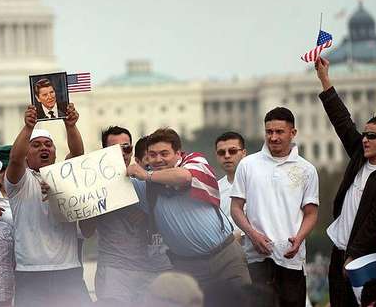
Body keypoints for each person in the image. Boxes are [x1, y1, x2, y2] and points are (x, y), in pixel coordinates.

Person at [314, 57, 376, 307]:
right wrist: (324, 79)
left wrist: (353, 256)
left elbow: (374, 222)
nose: (365, 139)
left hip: (364, 258)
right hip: (339, 251)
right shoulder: (358, 156)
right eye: (364, 134)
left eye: (372, 136)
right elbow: (342, 121)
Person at [127, 128, 250, 296]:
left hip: (225, 257)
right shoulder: (144, 187)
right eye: (153, 155)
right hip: (188, 268)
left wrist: (147, 175)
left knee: (244, 302)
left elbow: (184, 177)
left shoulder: (195, 161)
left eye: (164, 153)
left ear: (178, 153)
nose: (158, 159)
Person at [230, 107, 319, 307]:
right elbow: (235, 208)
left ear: (292, 133)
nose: (273, 137)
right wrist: (253, 235)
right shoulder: (247, 164)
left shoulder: (307, 170)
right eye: (269, 132)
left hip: (291, 258)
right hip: (257, 257)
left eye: (279, 132)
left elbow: (311, 213)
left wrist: (299, 238)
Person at [4, 104, 90, 307]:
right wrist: (28, 127)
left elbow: (78, 155)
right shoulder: (20, 182)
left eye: (48, 144)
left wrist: (70, 126)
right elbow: (15, 160)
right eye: (36, 145)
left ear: (55, 152)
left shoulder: (65, 176)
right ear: (27, 153)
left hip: (68, 269)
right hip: (31, 273)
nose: (44, 148)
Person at [80, 126, 172, 304]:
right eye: (114, 149)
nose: (121, 153)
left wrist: (148, 216)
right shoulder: (93, 185)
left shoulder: (148, 177)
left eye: (126, 147)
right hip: (115, 270)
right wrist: (91, 205)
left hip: (153, 269)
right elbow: (86, 231)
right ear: (103, 152)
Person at [214, 132, 247, 238]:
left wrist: (241, 234)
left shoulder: (258, 183)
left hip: (258, 250)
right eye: (221, 152)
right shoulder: (214, 189)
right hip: (227, 251)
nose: (227, 156)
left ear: (244, 153)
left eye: (232, 151)